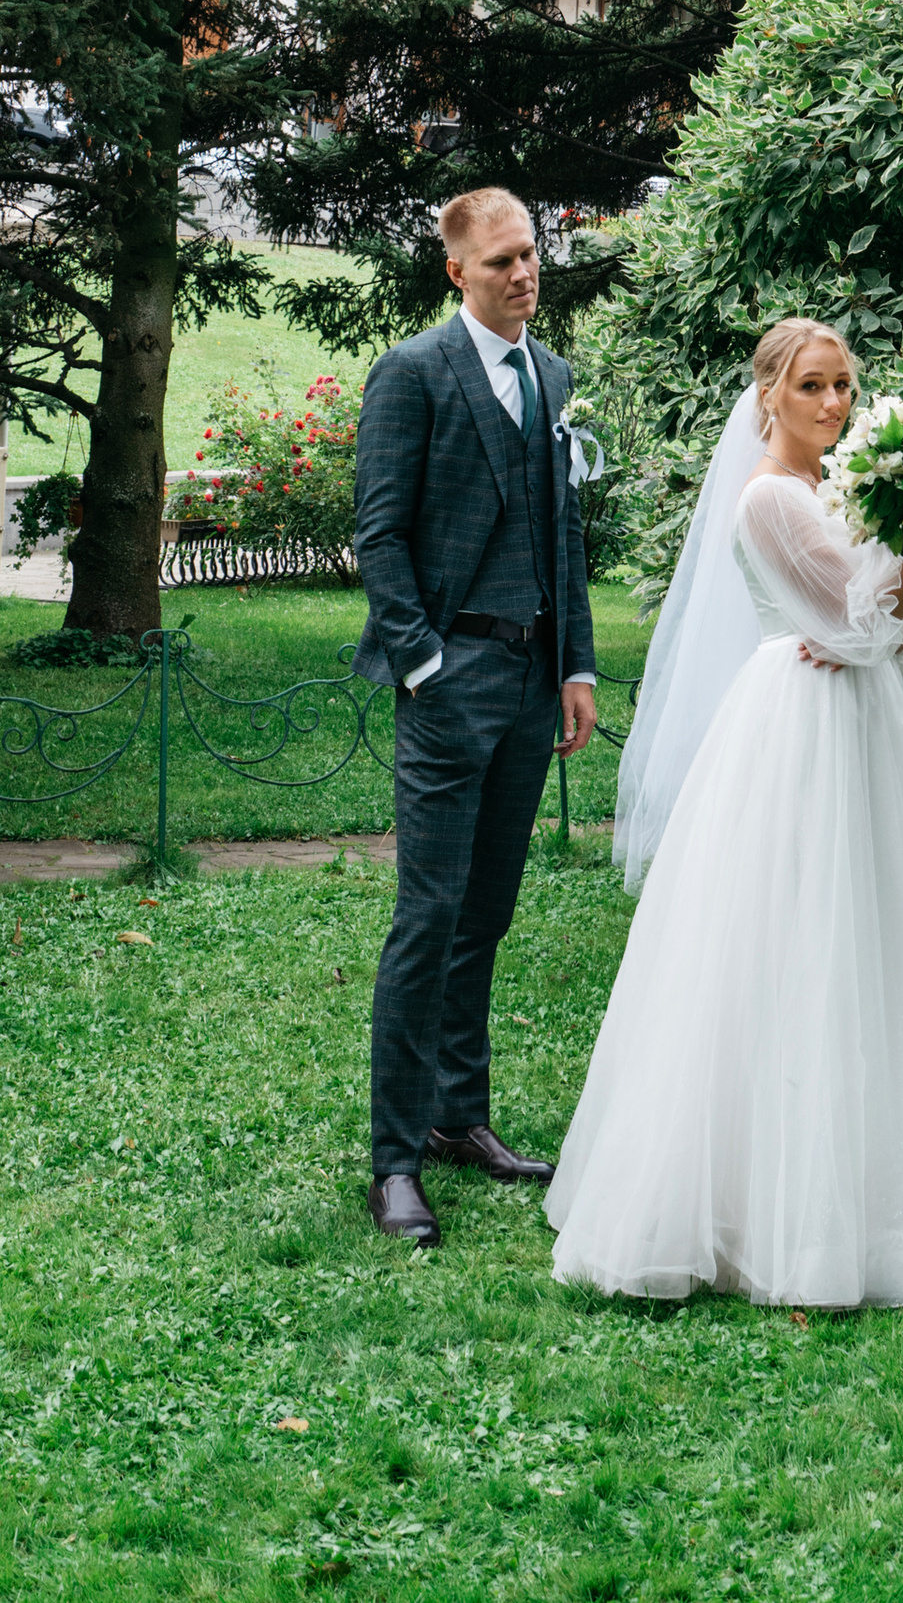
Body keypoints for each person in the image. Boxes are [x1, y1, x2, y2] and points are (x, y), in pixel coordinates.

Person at [545, 315, 903, 1308]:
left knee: (885, 939)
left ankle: (896, 1181)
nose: (833, 404)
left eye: (843, 386)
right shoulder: (766, 498)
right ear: (767, 396)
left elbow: (895, 634)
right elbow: (859, 618)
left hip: (862, 721)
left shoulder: (827, 489)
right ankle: (766, 1208)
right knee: (790, 946)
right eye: (811, 387)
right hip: (796, 728)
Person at [353, 186, 598, 1250]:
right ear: (458, 272)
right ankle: (394, 1161)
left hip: (532, 681)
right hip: (449, 685)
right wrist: (422, 665)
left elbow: (564, 537)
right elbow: (380, 532)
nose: (524, 273)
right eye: (500, 261)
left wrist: (577, 665)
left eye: (529, 255)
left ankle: (461, 1117)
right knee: (428, 919)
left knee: (486, 914)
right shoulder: (413, 373)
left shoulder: (553, 377)